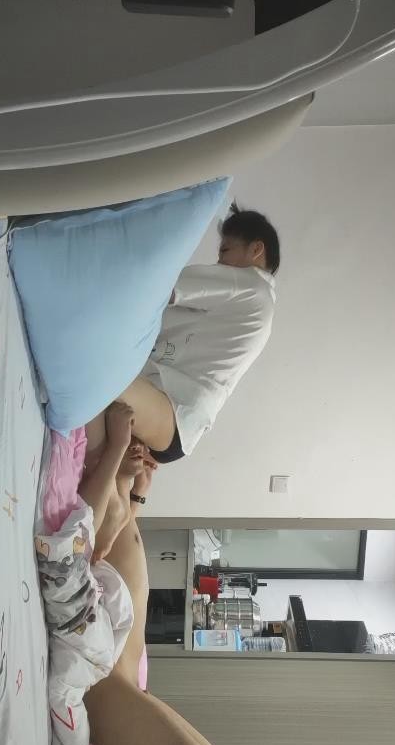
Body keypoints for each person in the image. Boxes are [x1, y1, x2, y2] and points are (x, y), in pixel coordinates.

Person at [46, 404, 228, 745]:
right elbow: (105, 541)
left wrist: (126, 480)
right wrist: (131, 485)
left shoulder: (101, 461)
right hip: (112, 682)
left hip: (111, 678)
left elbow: (100, 544)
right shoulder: (108, 472)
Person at [85, 202, 280, 557]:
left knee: (99, 371)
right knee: (104, 391)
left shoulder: (251, 285)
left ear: (256, 250)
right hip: (175, 422)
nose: (219, 262)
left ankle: (116, 505)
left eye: (225, 251)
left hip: (173, 409)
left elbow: (166, 284)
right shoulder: (258, 304)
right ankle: (120, 503)